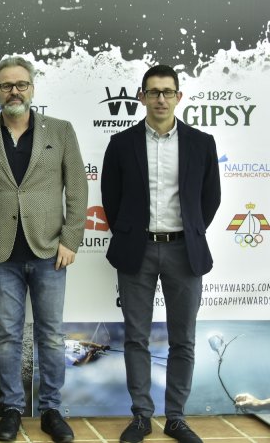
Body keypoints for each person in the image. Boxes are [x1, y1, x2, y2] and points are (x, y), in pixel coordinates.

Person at [101, 64, 221, 443]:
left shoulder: (202, 143)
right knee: (136, 337)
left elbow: (210, 198)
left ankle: (176, 418)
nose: (160, 99)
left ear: (179, 97)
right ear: (142, 97)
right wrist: (134, 232)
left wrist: (191, 231)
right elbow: (111, 199)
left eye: (167, 92)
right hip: (137, 250)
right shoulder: (121, 143)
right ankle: (141, 416)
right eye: (153, 92)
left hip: (184, 251)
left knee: (182, 339)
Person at [0, 56, 88, 443]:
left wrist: (71, 239)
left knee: (51, 335)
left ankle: (52, 409)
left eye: (21, 84)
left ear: (32, 88)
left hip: (49, 252)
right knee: (7, 335)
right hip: (2, 254)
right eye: (6, 86)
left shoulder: (61, 130)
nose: (14, 91)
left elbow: (78, 188)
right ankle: (11, 409)